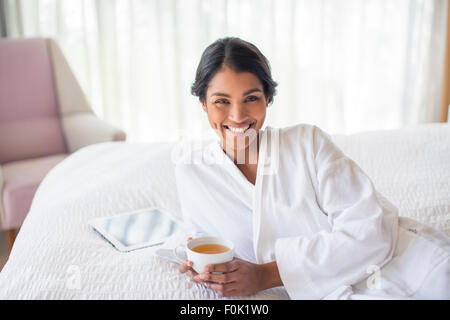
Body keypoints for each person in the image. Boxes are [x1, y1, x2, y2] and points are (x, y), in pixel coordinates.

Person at [175, 37, 450, 299]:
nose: (237, 116)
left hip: (405, 263)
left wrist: (267, 275)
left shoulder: (307, 143)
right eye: (221, 101)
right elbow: (202, 238)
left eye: (251, 98)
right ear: (203, 104)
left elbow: (371, 229)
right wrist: (207, 267)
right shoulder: (194, 172)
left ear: (268, 99)